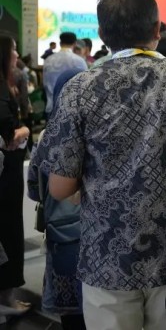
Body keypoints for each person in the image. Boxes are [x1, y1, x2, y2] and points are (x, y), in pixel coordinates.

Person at [37, 0, 166, 330]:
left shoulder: (80, 88)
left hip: (105, 258)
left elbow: (59, 187)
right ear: (157, 28)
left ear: (102, 35)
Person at [27, 68, 85, 330]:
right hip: (99, 236)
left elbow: (34, 190)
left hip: (60, 235)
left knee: (70, 313)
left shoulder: (47, 136)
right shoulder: (100, 133)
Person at [0, 34, 32, 319]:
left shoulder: (9, 81)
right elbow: (10, 133)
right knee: (9, 229)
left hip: (7, 168)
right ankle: (6, 296)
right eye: (13, 50)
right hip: (6, 172)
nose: (16, 55)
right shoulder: (2, 87)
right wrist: (25, 131)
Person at [42, 32, 88, 117]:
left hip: (51, 106)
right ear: (74, 44)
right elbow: (85, 85)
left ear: (60, 43)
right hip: (71, 110)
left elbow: (45, 83)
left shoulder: (48, 60)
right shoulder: (79, 61)